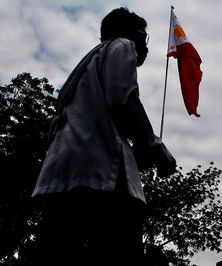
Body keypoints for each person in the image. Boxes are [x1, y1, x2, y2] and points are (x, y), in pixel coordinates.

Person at [31, 7, 176, 266]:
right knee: (121, 246)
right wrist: (154, 146)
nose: (145, 46)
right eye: (143, 38)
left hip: (62, 172)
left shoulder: (82, 69)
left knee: (54, 250)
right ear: (130, 34)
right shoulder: (122, 46)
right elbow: (123, 100)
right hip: (100, 170)